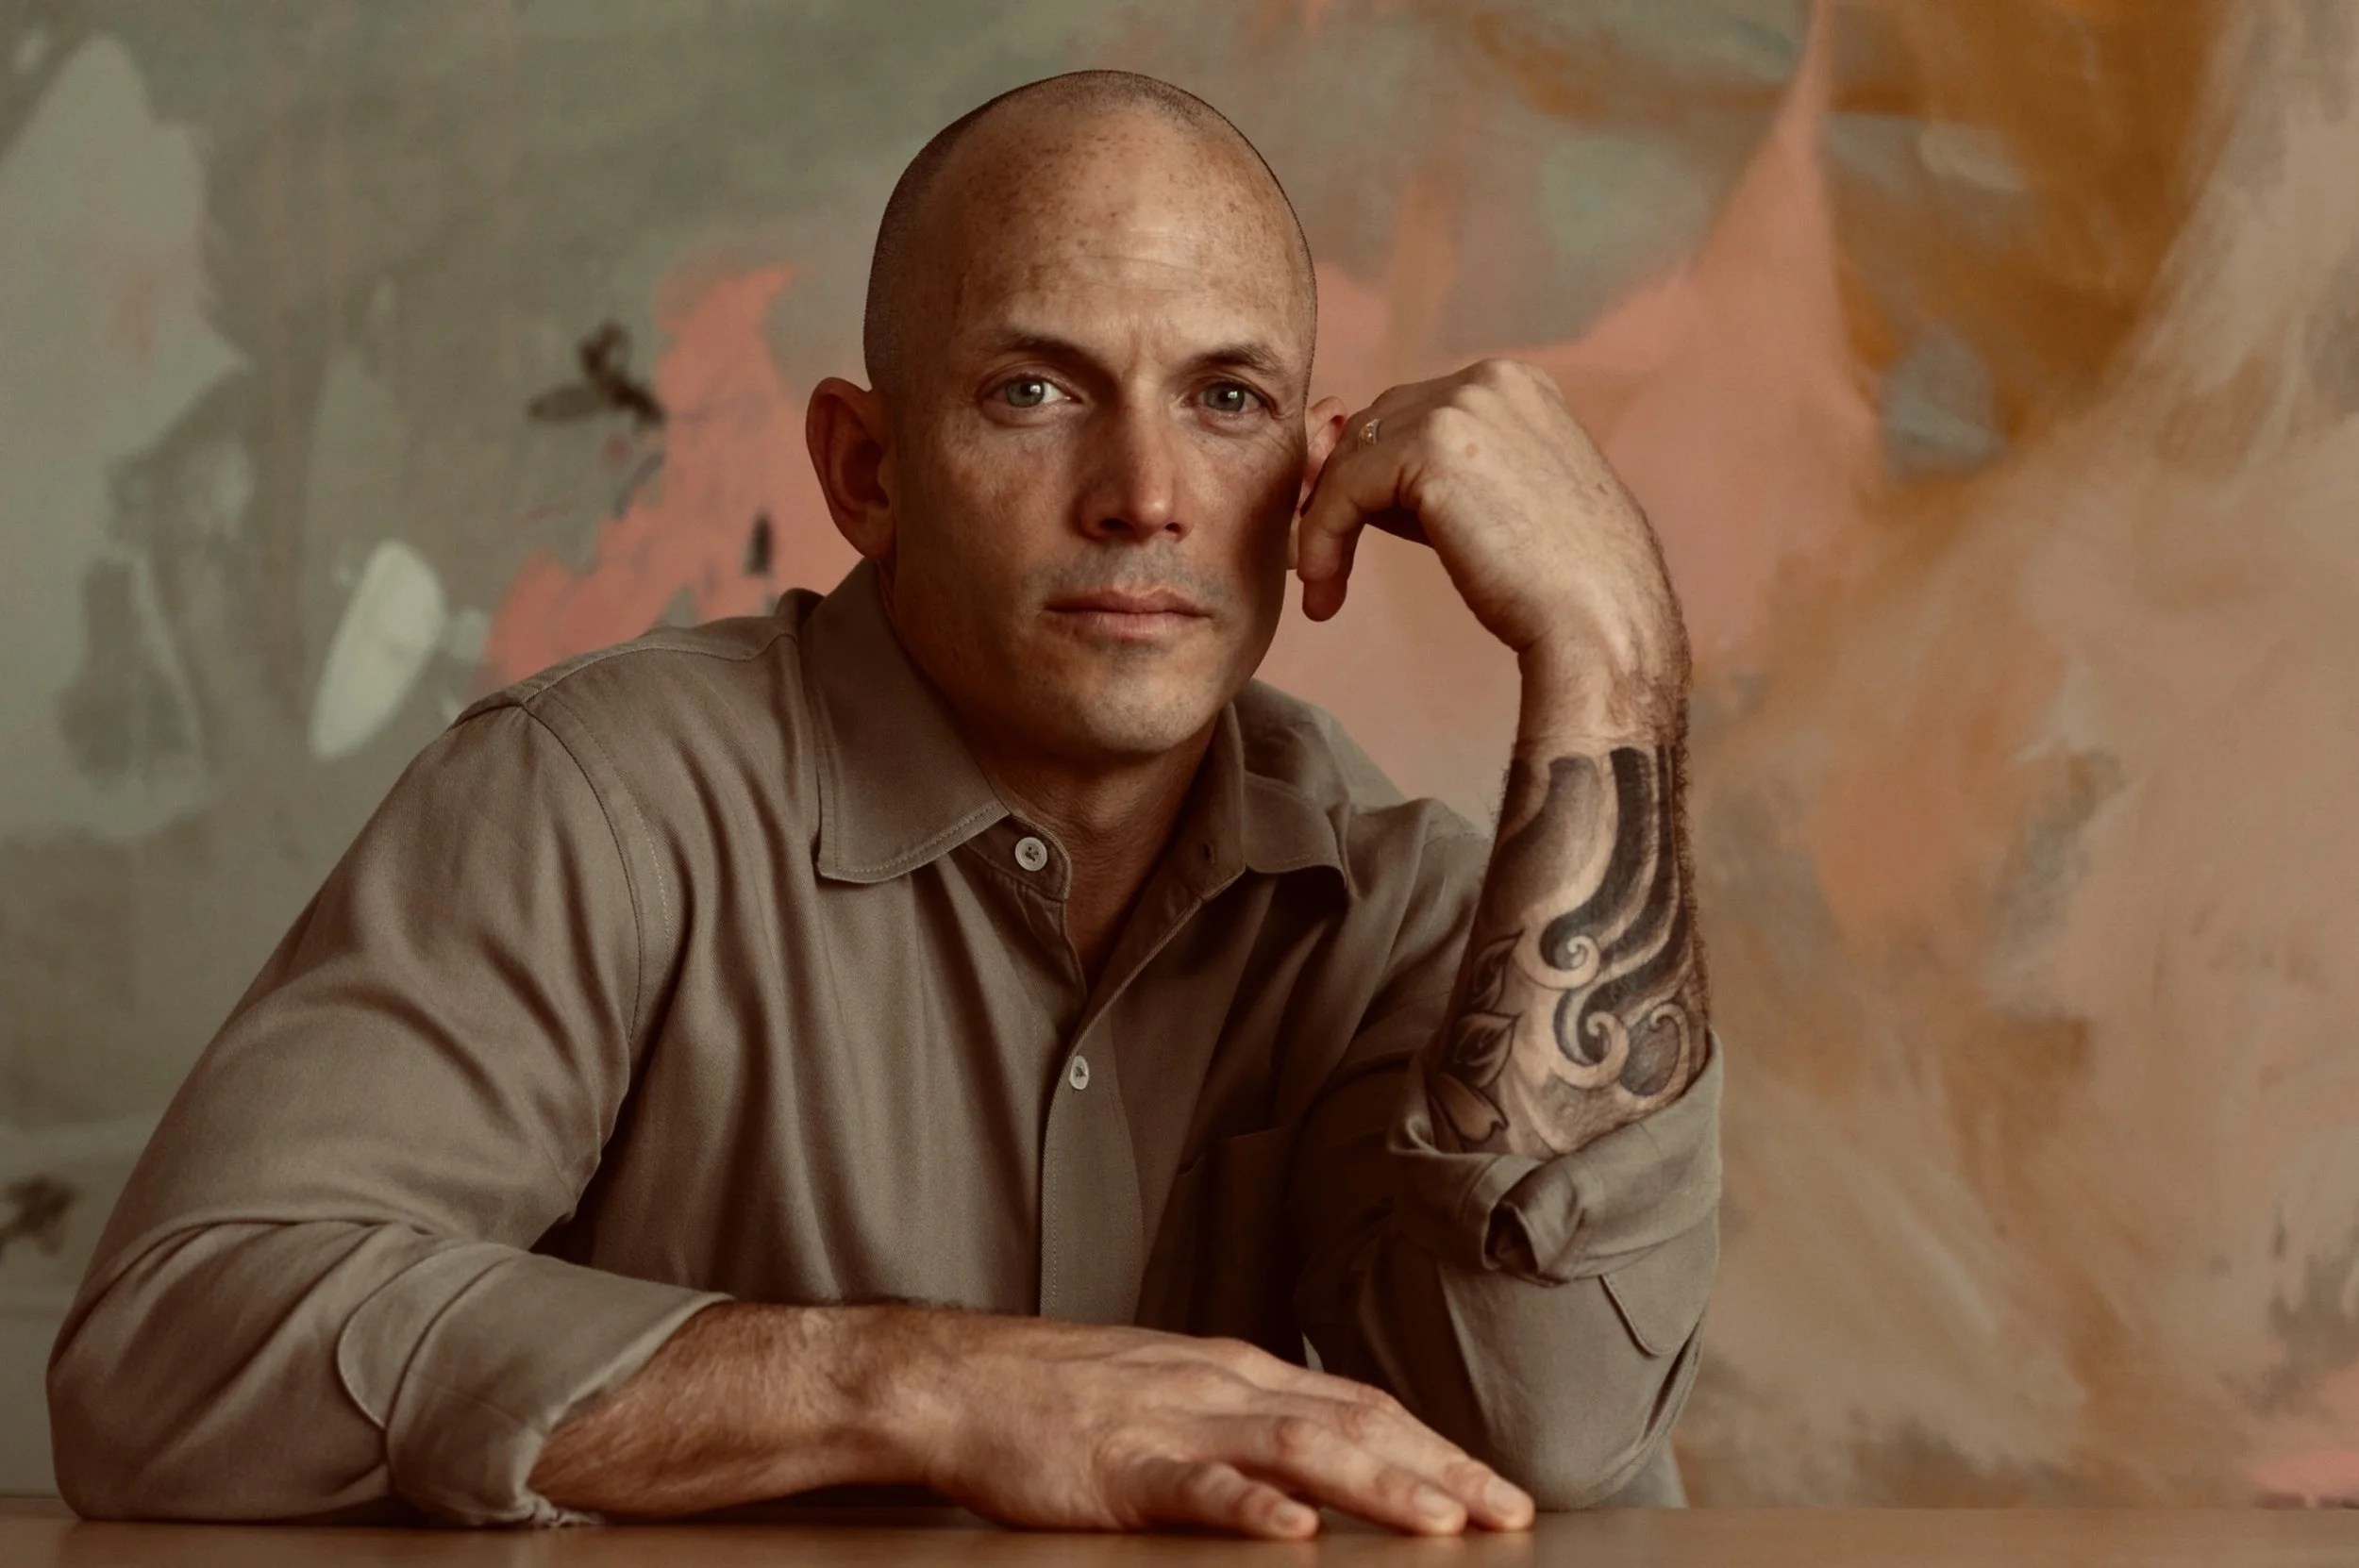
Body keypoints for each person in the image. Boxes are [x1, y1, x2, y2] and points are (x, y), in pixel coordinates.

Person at [49, 70, 1719, 1541]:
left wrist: (1612, 659)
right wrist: (911, 1383)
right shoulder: (593, 800)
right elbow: (174, 1354)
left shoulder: (1398, 904)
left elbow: (1548, 1445)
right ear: (866, 473)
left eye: (1226, 400)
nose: (1145, 497)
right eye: (1035, 390)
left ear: (1305, 464)